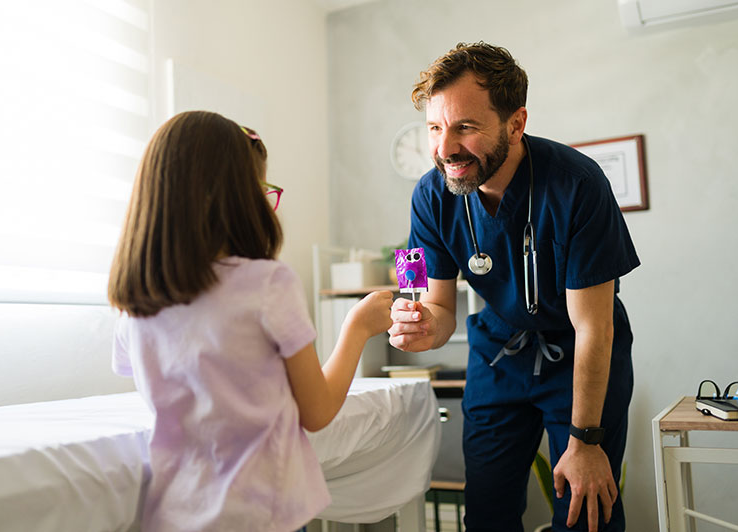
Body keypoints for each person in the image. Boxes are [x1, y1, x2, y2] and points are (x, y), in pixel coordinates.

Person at [388, 42, 640, 532]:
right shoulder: (427, 196)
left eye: (465, 127)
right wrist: (414, 324)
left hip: (579, 355)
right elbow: (433, 307)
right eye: (435, 129)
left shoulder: (577, 184)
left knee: (587, 513)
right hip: (497, 356)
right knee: (487, 514)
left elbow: (594, 328)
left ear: (515, 123)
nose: (445, 149)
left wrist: (586, 440)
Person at [108, 111, 393, 532]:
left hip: (174, 512)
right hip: (261, 511)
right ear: (237, 198)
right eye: (260, 189)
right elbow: (316, 411)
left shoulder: (135, 304)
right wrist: (358, 327)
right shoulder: (267, 284)